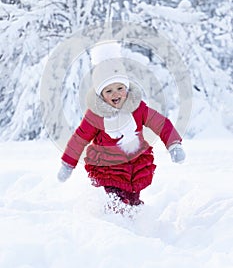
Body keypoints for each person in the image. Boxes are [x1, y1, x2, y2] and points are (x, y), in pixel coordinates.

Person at [57, 57, 185, 210]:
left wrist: (174, 145)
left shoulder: (138, 109)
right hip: (108, 169)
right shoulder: (96, 116)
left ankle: (136, 223)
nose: (115, 94)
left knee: (132, 203)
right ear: (101, 95)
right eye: (108, 91)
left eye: (120, 88)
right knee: (115, 203)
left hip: (134, 168)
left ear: (127, 88)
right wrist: (67, 164)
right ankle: (111, 223)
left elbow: (161, 123)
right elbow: (80, 138)